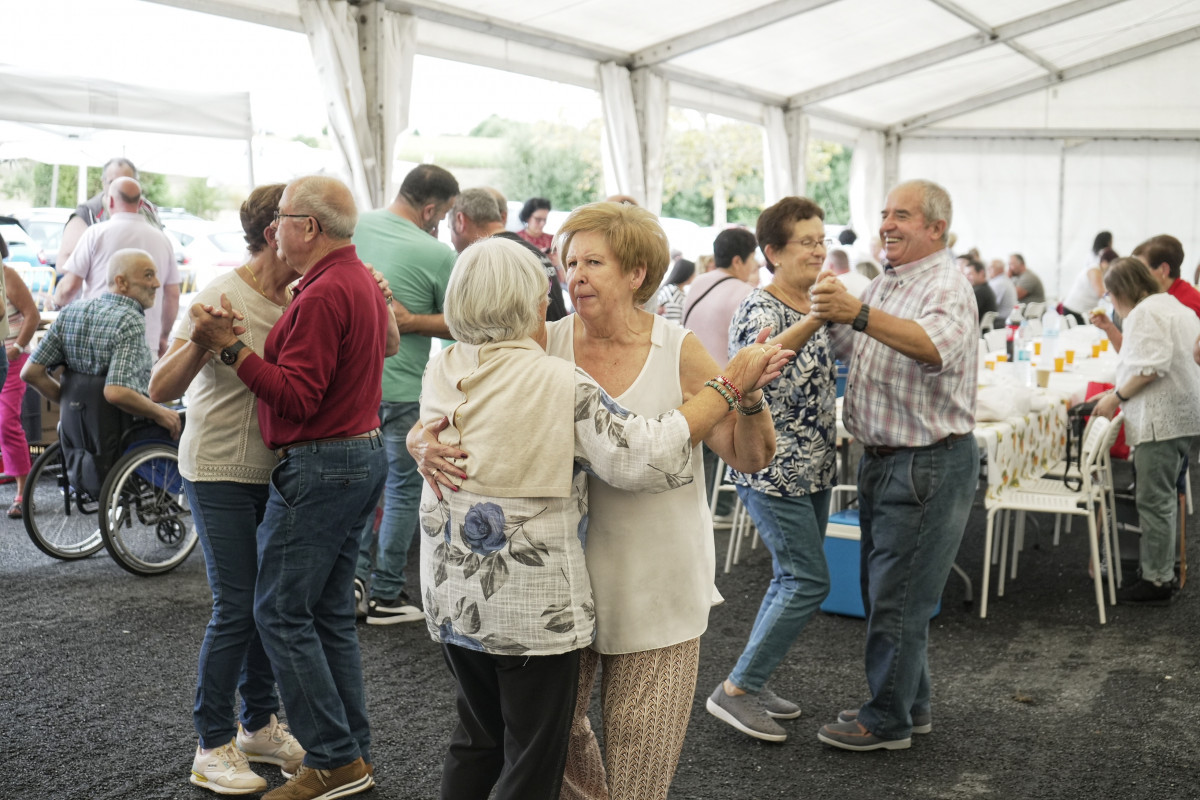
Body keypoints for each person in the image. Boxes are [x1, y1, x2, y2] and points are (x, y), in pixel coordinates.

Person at [416, 236, 786, 800]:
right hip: (533, 610)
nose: (576, 276)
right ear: (537, 304)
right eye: (569, 264)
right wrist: (731, 382)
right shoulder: (556, 376)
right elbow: (646, 455)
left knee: (480, 739)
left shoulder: (445, 364)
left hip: (453, 597)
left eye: (593, 262)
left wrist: (416, 440)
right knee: (534, 760)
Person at [189, 175, 394, 800]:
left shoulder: (327, 292)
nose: (272, 228)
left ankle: (333, 757)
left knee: (275, 610)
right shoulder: (351, 281)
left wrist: (231, 350)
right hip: (358, 455)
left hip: (322, 463)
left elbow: (297, 398)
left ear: (308, 227)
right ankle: (346, 750)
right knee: (327, 614)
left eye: (281, 217)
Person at [148, 185, 307, 795]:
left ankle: (258, 725)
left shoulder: (299, 296)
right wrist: (199, 339)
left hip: (271, 472)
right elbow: (161, 388)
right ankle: (211, 744)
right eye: (311, 227)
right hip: (216, 468)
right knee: (236, 607)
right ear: (277, 233)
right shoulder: (221, 293)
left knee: (265, 607)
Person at [809, 179, 978, 752]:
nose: (887, 224)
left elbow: (932, 346)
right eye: (884, 214)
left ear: (936, 228)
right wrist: (828, 319)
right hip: (886, 460)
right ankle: (912, 705)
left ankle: (886, 721)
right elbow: (856, 346)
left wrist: (856, 313)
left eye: (901, 215)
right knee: (890, 593)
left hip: (925, 463)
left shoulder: (947, 285)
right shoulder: (889, 281)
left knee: (897, 598)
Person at [705, 197, 837, 743]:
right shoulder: (760, 309)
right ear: (772, 253)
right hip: (773, 468)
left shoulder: (809, 302)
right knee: (808, 579)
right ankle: (737, 689)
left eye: (822, 240)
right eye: (806, 242)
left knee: (792, 577)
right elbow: (749, 371)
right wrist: (813, 319)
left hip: (814, 467)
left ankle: (752, 684)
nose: (819, 250)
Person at [351, 164, 459, 626]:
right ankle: (385, 594)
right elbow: (462, 323)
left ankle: (350, 584)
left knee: (357, 490)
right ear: (430, 209)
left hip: (350, 385)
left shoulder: (353, 226)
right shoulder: (437, 253)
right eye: (445, 214)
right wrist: (415, 321)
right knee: (400, 489)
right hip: (399, 387)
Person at [1091, 257, 1200, 605]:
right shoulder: (1170, 305)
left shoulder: (1145, 313)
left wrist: (1114, 399)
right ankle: (1160, 573)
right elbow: (1141, 361)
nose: (1110, 300)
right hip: (1178, 417)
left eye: (1109, 293)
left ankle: (1157, 579)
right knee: (1161, 498)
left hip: (1161, 419)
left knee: (1154, 501)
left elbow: (1149, 369)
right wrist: (1111, 330)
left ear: (1121, 290)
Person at [23, 248, 182, 441]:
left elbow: (31, 372)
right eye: (149, 275)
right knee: (182, 422)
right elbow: (116, 392)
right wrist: (160, 413)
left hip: (78, 430)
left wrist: (72, 405)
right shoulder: (128, 320)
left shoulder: (71, 312)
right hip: (124, 432)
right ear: (121, 282)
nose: (157, 284)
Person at [53, 176, 179, 357]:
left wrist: (56, 302)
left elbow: (70, 287)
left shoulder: (95, 233)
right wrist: (163, 335)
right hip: (145, 341)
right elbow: (173, 295)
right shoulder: (162, 239)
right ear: (140, 203)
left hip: (99, 339)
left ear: (110, 201)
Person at [682, 228, 759, 518]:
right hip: (724, 384)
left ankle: (706, 507)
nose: (755, 266)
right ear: (739, 260)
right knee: (724, 445)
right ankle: (723, 509)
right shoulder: (745, 292)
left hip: (689, 379)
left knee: (702, 451)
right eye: (753, 259)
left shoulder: (699, 282)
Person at [448, 187, 568, 321]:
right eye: (538, 219)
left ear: (460, 220)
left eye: (450, 229)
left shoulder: (489, 257)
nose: (451, 240)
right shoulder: (527, 249)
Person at [1093, 235, 1200, 350]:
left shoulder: (1183, 305)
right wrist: (1109, 328)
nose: (1136, 276)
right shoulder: (1165, 299)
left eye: (1142, 269)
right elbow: (1136, 350)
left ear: (1163, 269)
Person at [55, 157, 162, 268]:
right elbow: (64, 262)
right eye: (112, 182)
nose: (119, 187)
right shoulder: (87, 213)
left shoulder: (148, 209)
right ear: (103, 183)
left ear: (136, 183)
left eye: (126, 181)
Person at [0, 234, 39, 518]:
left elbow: (32, 315)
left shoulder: (7, 275)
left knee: (6, 423)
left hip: (11, 358)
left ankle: (23, 493)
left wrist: (16, 349)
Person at [1061, 247, 1117, 325]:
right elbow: (1101, 293)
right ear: (1104, 262)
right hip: (1074, 310)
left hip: (1085, 312)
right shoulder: (1094, 270)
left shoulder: (1103, 274)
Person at [958, 255, 997, 323]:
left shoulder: (980, 292)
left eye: (970, 274)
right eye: (966, 274)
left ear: (981, 273)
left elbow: (963, 313)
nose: (967, 277)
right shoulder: (985, 289)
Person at [655, 258, 695, 323]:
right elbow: (673, 321)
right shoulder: (673, 291)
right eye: (693, 273)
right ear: (687, 274)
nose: (695, 276)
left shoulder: (680, 291)